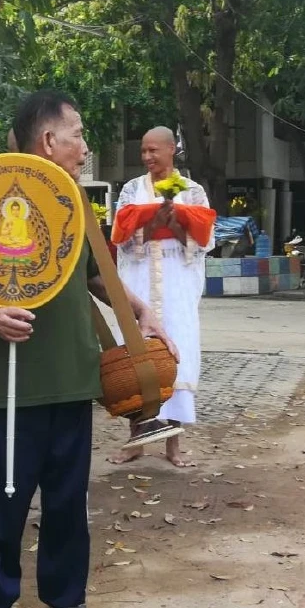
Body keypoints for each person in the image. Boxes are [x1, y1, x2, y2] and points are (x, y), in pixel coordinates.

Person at [0, 90, 174, 608]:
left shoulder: (75, 203)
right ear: (49, 140)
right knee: (3, 504)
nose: (85, 146)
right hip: (14, 386)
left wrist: (139, 310)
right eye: (77, 133)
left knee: (68, 503)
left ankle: (66, 601)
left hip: (74, 380)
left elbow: (99, 273)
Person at [108, 126, 215, 468]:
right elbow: (120, 237)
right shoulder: (131, 190)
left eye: (153, 150)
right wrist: (153, 224)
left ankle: (173, 445)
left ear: (172, 150)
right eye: (143, 151)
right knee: (136, 360)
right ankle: (135, 441)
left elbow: (204, 241)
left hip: (177, 284)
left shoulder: (193, 191)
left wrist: (178, 224)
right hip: (140, 281)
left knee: (175, 357)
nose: (147, 157)